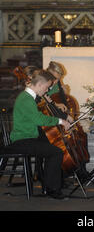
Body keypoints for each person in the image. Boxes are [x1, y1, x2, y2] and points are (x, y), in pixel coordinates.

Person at [8, 69, 71, 200]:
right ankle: (53, 190)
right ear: (40, 85)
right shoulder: (26, 99)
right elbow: (38, 119)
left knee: (51, 147)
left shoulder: (28, 97)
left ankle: (48, 185)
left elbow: (37, 118)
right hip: (21, 140)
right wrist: (60, 120)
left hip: (27, 137)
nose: (47, 90)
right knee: (56, 152)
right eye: (47, 87)